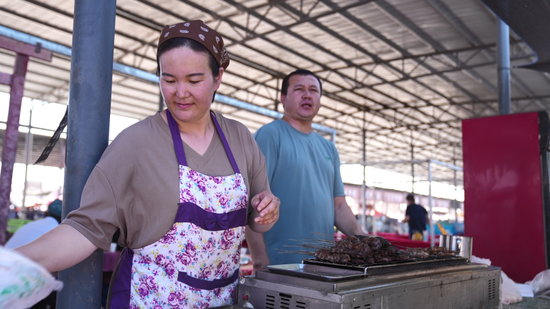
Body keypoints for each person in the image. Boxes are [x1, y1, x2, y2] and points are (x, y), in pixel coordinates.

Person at [16, 20, 279, 308]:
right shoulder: (135, 143)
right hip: (150, 299)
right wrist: (15, 262)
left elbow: (257, 220)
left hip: (222, 300)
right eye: (168, 79)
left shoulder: (240, 138)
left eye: (194, 80)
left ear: (218, 78)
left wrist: (268, 211)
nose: (180, 92)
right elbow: (85, 229)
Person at [245, 69, 368, 270]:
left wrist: (364, 238)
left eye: (313, 90)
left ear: (320, 99)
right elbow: (252, 201)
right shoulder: (270, 135)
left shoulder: (328, 148)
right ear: (283, 98)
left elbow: (338, 206)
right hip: (281, 264)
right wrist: (260, 261)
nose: (307, 95)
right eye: (299, 89)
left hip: (324, 263)